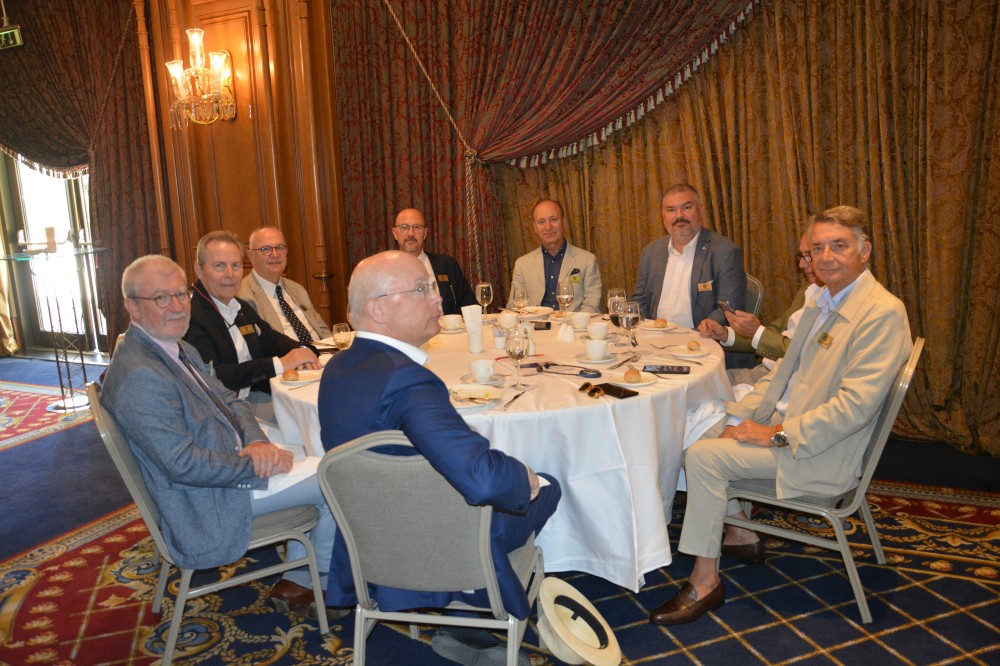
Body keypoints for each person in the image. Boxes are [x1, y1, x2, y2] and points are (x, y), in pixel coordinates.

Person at [649, 206, 912, 626]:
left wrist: (774, 433)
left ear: (865, 251)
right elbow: (781, 377)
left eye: (839, 246)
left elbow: (854, 409)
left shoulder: (880, 313)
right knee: (690, 431)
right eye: (818, 247)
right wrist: (736, 419)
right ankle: (739, 531)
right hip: (795, 433)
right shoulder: (824, 300)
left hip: (820, 453)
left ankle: (705, 581)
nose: (825, 257)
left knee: (703, 457)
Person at [318, 250, 561, 665]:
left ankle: (463, 613)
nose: (437, 299)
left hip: (367, 541)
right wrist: (528, 477)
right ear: (377, 310)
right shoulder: (406, 379)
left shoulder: (339, 366)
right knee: (547, 485)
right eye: (421, 290)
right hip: (437, 542)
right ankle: (476, 608)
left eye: (432, 287)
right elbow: (483, 480)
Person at [101, 255, 343, 622]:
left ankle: (297, 580)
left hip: (223, 465)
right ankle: (320, 584)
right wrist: (253, 466)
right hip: (205, 500)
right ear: (132, 306)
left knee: (308, 450)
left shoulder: (175, 347)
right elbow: (182, 464)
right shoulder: (140, 374)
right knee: (334, 475)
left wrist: (257, 443)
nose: (177, 307)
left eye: (180, 295)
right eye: (161, 298)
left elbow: (229, 399)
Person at [184, 231, 319, 422]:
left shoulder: (239, 306)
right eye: (219, 266)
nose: (229, 274)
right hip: (223, 410)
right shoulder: (188, 314)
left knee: (322, 400)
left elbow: (270, 340)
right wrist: (281, 363)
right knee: (313, 416)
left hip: (256, 394)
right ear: (199, 269)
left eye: (235, 265)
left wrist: (304, 350)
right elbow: (214, 376)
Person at [700, 230, 825, 385]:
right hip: (765, 370)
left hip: (784, 381)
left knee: (700, 390)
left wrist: (756, 331)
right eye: (802, 255)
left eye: (809, 255)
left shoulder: (838, 303)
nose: (801, 264)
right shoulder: (809, 288)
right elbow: (774, 331)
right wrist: (726, 334)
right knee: (698, 383)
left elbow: (803, 353)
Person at [632, 184, 746, 326]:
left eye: (686, 208)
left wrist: (705, 329)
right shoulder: (650, 252)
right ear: (663, 216)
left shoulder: (725, 252)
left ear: (701, 210)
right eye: (671, 210)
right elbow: (639, 300)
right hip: (655, 335)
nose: (679, 216)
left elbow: (729, 307)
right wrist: (648, 329)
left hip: (700, 337)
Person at [238, 226, 332, 342]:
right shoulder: (243, 297)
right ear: (251, 256)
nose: (275, 254)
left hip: (321, 350)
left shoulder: (297, 289)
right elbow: (256, 345)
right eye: (266, 249)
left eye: (280, 248)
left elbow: (323, 330)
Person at [507, 199, 602, 313]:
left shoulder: (587, 260)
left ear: (564, 222)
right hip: (534, 323)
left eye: (553, 219)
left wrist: (573, 323)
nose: (548, 227)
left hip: (573, 323)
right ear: (535, 227)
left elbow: (592, 305)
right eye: (541, 221)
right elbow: (514, 306)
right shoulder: (522, 264)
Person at [392, 208, 477, 315]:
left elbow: (471, 306)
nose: (411, 233)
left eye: (417, 227)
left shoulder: (447, 265)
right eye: (404, 227)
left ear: (425, 233)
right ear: (395, 233)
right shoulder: (383, 271)